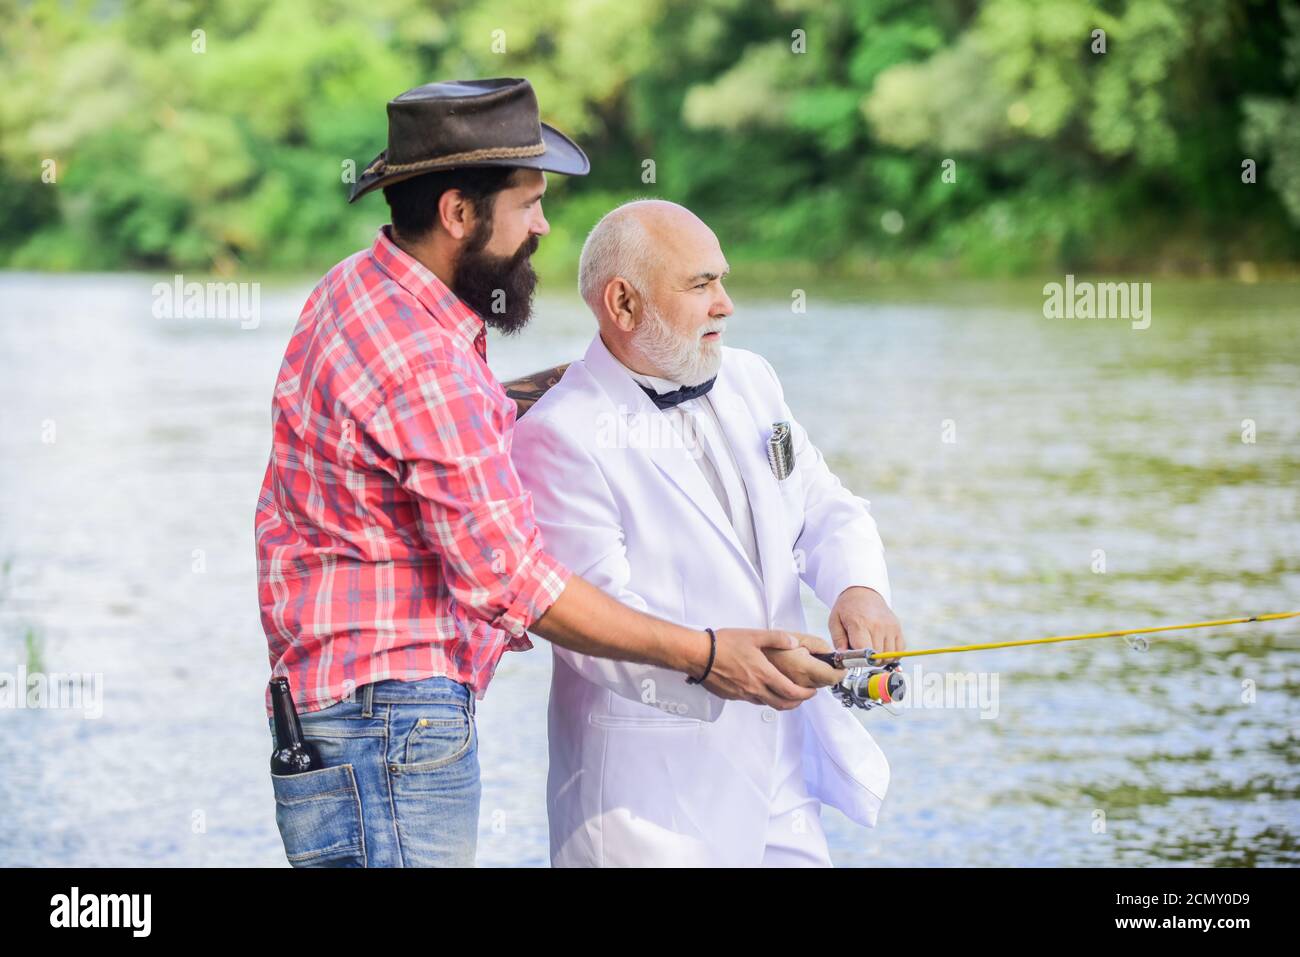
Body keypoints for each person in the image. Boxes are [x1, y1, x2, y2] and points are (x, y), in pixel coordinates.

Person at [255, 80, 831, 868]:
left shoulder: (359, 290)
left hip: (343, 718)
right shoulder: (427, 365)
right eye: (527, 205)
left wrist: (584, 381)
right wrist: (705, 652)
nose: (543, 226)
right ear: (459, 213)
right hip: (391, 727)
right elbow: (516, 584)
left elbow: (423, 433)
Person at [512, 200, 905, 866]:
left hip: (781, 773)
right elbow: (590, 626)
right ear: (624, 303)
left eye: (720, 279)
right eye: (700, 285)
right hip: (649, 805)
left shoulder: (751, 378)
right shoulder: (559, 432)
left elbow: (822, 506)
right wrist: (720, 662)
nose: (725, 304)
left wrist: (858, 589)